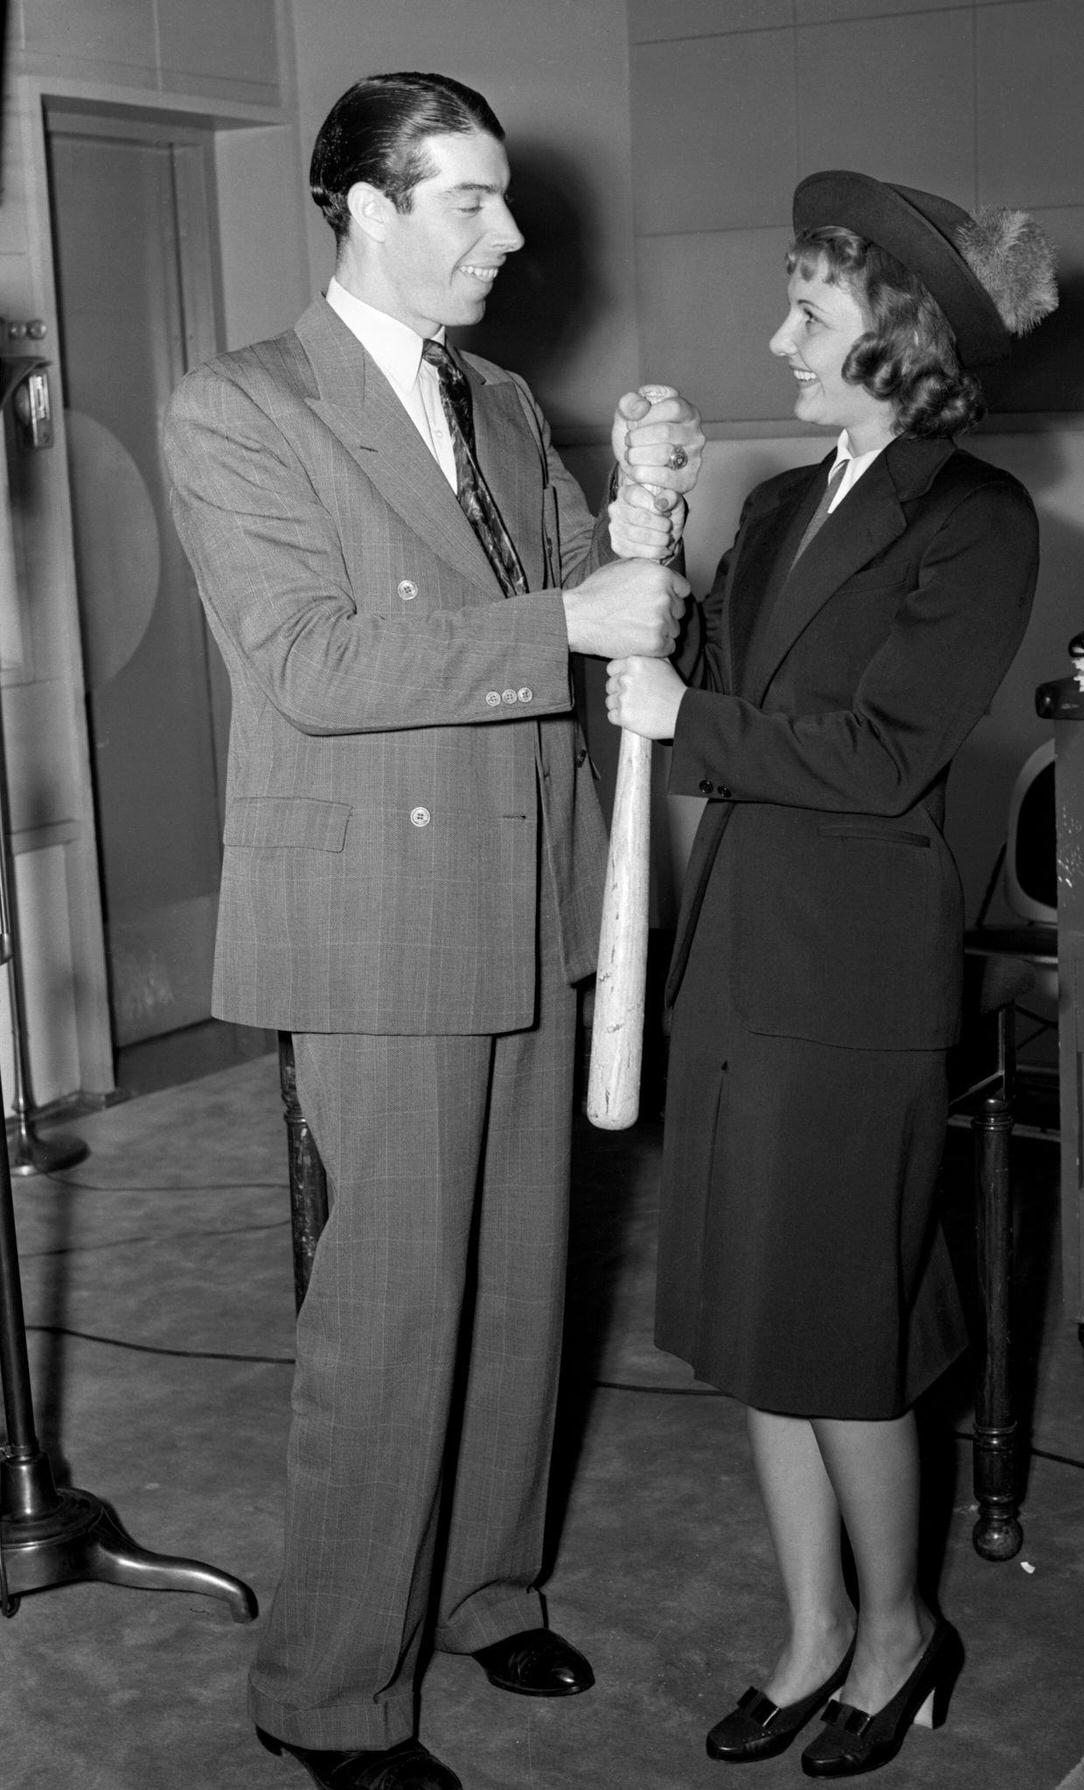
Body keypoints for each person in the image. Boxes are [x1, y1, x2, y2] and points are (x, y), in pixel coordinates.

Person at [163, 71, 703, 1790]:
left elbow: (596, 608)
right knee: (389, 1312)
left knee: (521, 1293)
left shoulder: (506, 398)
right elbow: (314, 664)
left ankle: (483, 1585)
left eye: (506, 197)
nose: (512, 231)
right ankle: (327, 1686)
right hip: (378, 913)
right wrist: (571, 612)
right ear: (367, 206)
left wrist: (647, 506)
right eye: (468, 199)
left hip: (531, 888)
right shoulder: (242, 406)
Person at [606, 170, 1056, 1779]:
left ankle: (898, 1629)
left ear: (899, 334)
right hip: (737, 956)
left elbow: (879, 755)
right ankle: (807, 1630)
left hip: (855, 982)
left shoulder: (978, 518)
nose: (775, 334)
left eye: (809, 308)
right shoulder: (790, 504)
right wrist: (653, 516)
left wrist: (686, 721)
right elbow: (701, 672)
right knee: (754, 1328)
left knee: (844, 1338)